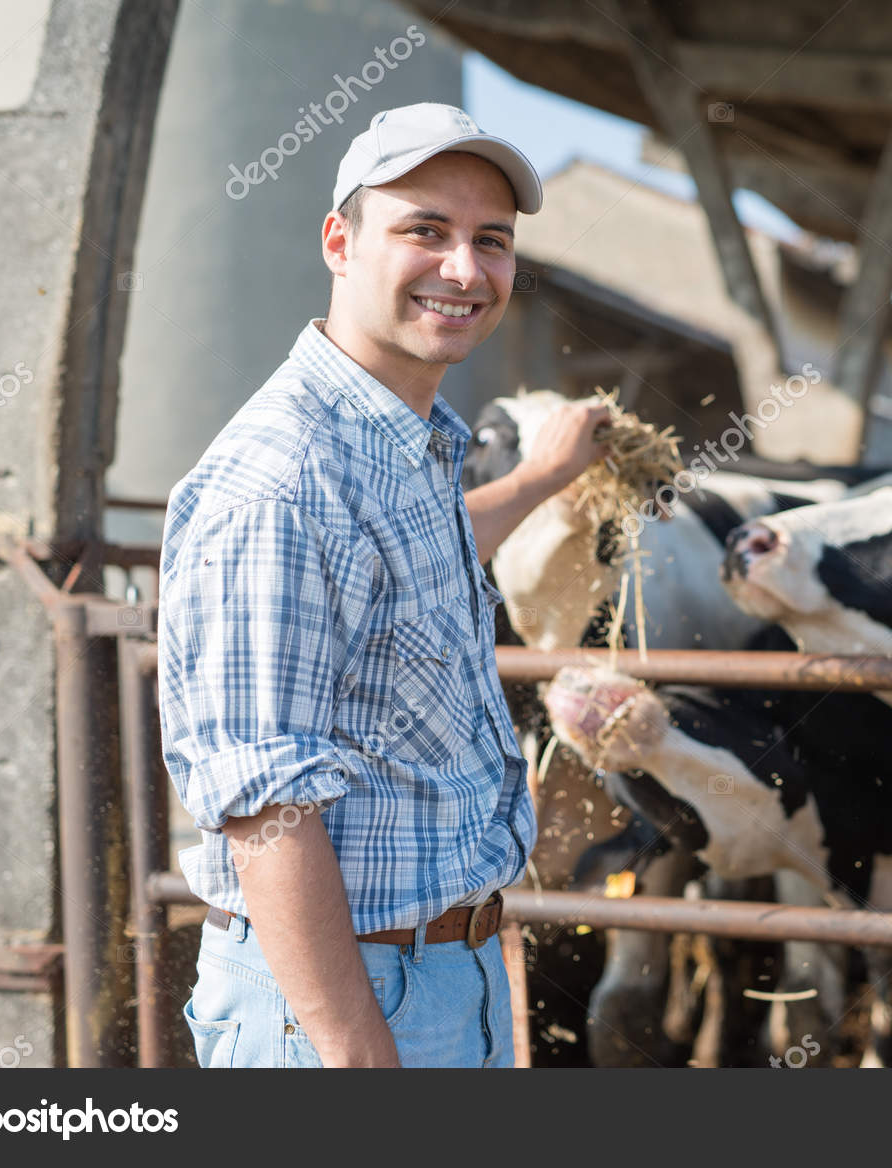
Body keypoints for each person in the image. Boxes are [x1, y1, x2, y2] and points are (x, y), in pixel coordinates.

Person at [158, 103, 607, 1068]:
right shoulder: (283, 482)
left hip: (449, 976)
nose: (464, 269)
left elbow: (409, 568)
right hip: (339, 1010)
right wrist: (361, 1058)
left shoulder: (405, 446)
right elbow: (266, 806)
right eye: (424, 231)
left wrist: (539, 482)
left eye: (490, 241)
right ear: (339, 241)